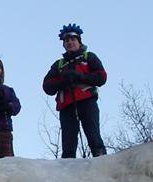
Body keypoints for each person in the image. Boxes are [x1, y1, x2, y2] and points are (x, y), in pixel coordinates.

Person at [42, 24, 108, 158]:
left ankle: (102, 163)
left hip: (87, 101)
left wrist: (80, 77)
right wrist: (62, 82)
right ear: (63, 45)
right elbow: (47, 86)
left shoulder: (89, 57)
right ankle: (66, 171)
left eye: (73, 39)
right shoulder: (59, 65)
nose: (70, 42)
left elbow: (101, 77)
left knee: (93, 135)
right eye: (66, 41)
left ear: (79, 41)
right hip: (67, 105)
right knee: (68, 143)